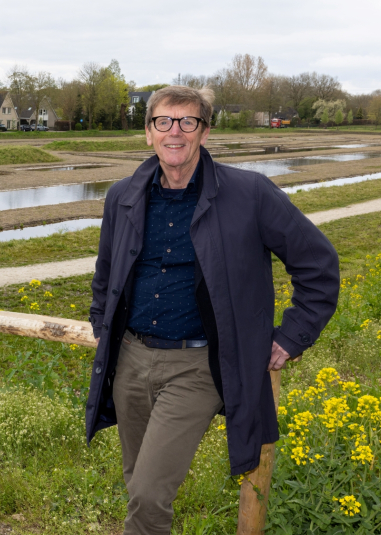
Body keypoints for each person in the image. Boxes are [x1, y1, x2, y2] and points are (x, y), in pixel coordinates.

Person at [86, 85, 339, 534]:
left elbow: (318, 264)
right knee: (138, 483)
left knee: (147, 492)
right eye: (164, 121)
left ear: (205, 131)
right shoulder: (122, 195)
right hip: (130, 360)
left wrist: (291, 334)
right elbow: (106, 272)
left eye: (188, 122)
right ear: (148, 133)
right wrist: (102, 325)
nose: (175, 132)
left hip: (198, 367)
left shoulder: (249, 194)